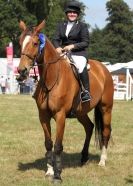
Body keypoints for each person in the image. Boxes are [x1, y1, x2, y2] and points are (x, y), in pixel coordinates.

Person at [52, 1, 91, 102]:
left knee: (80, 65)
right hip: (63, 53)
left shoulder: (82, 26)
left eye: (74, 12)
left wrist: (72, 46)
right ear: (66, 13)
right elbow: (55, 39)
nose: (72, 14)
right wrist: (57, 47)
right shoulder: (61, 25)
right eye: (70, 12)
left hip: (79, 53)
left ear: (77, 14)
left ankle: (85, 91)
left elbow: (85, 42)